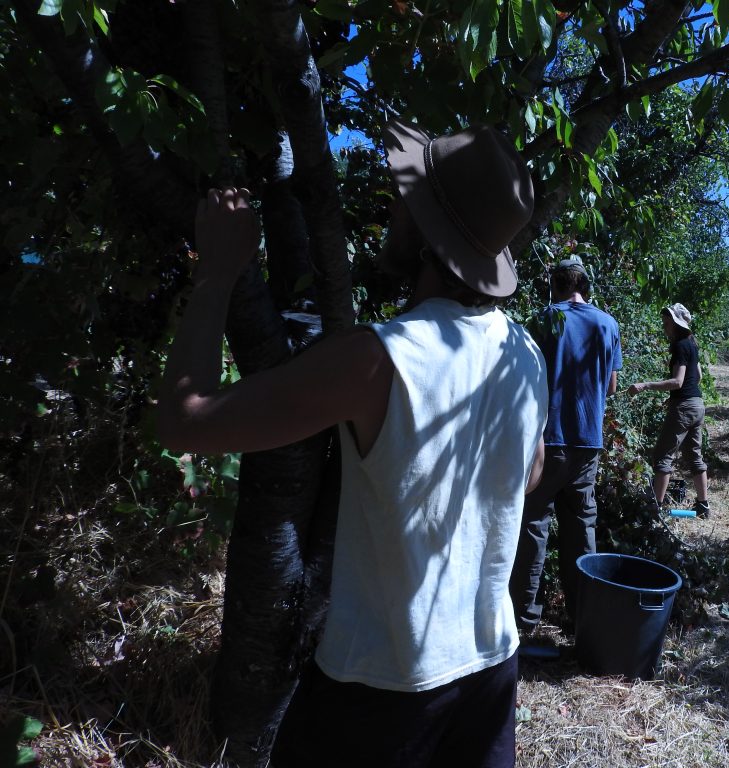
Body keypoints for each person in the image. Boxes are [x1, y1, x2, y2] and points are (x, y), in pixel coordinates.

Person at [157, 119, 548, 768]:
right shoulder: (524, 352)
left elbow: (184, 421)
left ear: (425, 235)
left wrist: (217, 276)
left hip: (382, 695)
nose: (394, 207)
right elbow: (529, 472)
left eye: (407, 200)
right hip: (489, 672)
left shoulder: (377, 361)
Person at [510, 257, 622, 633]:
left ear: (554, 285)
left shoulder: (542, 321)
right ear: (585, 287)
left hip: (546, 441)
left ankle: (523, 622)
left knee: (533, 527)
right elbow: (611, 387)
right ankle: (583, 622)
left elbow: (522, 383)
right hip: (587, 443)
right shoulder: (607, 324)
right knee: (581, 530)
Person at [626, 303, 710, 518]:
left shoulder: (681, 346)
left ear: (675, 324)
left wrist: (645, 385)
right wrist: (674, 399)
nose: (664, 328)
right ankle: (703, 506)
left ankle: (655, 510)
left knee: (662, 457)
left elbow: (677, 381)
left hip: (684, 407)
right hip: (697, 405)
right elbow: (697, 377)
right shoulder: (692, 344)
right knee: (695, 457)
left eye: (666, 324)